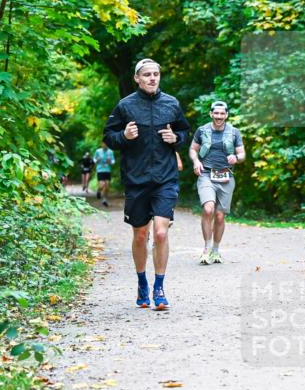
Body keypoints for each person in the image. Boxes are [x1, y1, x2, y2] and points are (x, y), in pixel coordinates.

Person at [103, 58, 190, 310]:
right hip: (136, 179)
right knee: (141, 235)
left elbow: (184, 132)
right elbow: (109, 136)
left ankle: (159, 288)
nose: (153, 78)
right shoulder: (125, 106)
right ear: (137, 79)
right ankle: (142, 282)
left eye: (156, 74)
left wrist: (176, 137)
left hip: (165, 178)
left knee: (161, 232)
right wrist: (124, 136)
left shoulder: (171, 104)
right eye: (147, 74)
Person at [190, 100, 245, 264]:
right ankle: (206, 249)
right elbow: (193, 149)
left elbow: (242, 154)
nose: (219, 116)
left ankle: (216, 251)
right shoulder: (202, 130)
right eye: (216, 113)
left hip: (226, 176)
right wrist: (196, 162)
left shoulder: (234, 132)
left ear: (226, 115)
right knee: (208, 209)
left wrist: (236, 157)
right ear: (211, 114)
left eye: (222, 114)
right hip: (206, 174)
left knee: (220, 216)